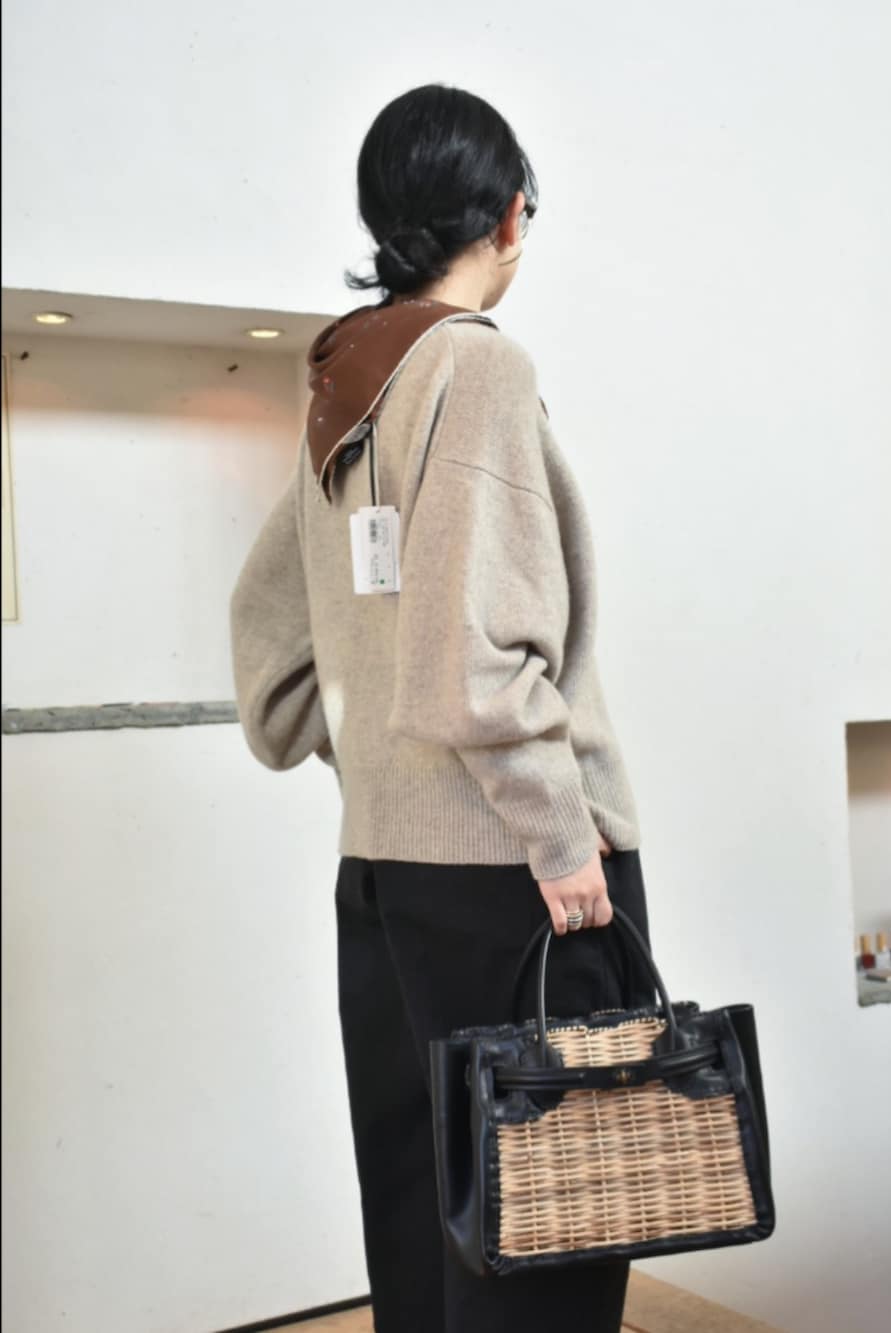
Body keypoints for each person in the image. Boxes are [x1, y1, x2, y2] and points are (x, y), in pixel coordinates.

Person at [229, 81, 654, 1333]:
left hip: (384, 876)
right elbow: (479, 661)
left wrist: (376, 749)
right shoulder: (476, 366)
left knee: (425, 1215)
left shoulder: (346, 384)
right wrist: (561, 840)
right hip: (518, 879)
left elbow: (270, 637)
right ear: (511, 215)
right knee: (558, 1236)